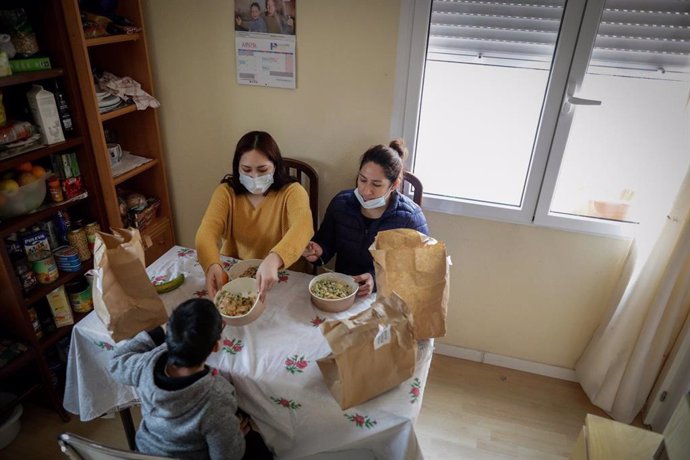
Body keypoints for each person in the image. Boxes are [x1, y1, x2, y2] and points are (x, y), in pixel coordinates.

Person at [109, 299, 245, 460]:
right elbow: (228, 456)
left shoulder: (145, 364)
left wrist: (157, 333)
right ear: (216, 347)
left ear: (169, 334)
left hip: (144, 451)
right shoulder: (216, 398)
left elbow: (116, 361)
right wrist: (237, 436)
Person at [196, 130, 313, 300]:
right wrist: (211, 264)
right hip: (238, 275)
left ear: (275, 166)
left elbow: (303, 226)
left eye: (262, 169)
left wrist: (274, 259)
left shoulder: (293, 192)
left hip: (284, 275)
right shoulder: (225, 193)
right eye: (246, 170)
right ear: (237, 168)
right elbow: (206, 231)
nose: (254, 176)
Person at [303, 139, 428, 297]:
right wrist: (318, 252)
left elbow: (414, 270)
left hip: (387, 296)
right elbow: (326, 242)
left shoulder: (410, 218)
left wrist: (375, 280)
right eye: (362, 180)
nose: (365, 191)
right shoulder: (341, 204)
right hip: (341, 290)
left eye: (376, 184)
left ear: (394, 185)